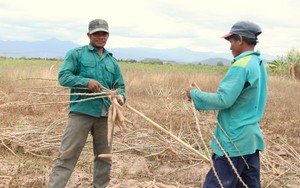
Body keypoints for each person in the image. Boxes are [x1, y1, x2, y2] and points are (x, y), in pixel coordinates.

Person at [186, 21, 267, 187]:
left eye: (231, 41)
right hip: (250, 139)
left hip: (234, 140)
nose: (230, 47)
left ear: (240, 40)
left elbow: (224, 100)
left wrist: (194, 94)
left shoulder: (241, 66)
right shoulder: (257, 63)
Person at [48, 19, 126, 188]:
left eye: (103, 33)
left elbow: (120, 86)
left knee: (104, 157)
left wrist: (120, 98)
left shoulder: (111, 61)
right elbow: (63, 77)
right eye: (96, 33)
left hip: (105, 116)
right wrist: (86, 82)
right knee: (67, 155)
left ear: (108, 36)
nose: (100, 37)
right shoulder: (76, 54)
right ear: (89, 35)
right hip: (81, 113)